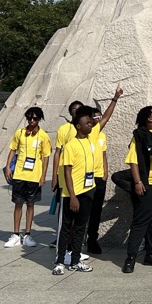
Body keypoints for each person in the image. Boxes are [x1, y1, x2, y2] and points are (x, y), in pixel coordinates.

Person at [122, 106, 152, 273]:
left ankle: (150, 254)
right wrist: (137, 182)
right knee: (141, 223)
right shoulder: (139, 136)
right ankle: (130, 258)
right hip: (148, 185)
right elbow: (133, 161)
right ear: (149, 119)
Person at [53, 106, 97, 275]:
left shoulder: (90, 141)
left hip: (88, 190)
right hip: (71, 194)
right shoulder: (70, 145)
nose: (90, 125)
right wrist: (72, 196)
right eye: (86, 123)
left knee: (80, 227)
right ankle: (59, 261)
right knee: (65, 228)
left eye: (90, 122)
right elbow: (67, 171)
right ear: (78, 126)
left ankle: (75, 260)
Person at [2, 107, 51, 248]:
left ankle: (28, 234)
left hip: (34, 176)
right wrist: (7, 167)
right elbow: (13, 149)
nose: (32, 120)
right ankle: (16, 234)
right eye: (29, 117)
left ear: (39, 119)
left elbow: (46, 157)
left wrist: (43, 176)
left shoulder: (43, 136)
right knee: (18, 203)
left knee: (31, 204)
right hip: (19, 174)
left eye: (35, 118)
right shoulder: (20, 133)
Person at [85, 88, 122, 254]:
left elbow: (104, 155)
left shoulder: (101, 136)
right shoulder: (88, 133)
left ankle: (92, 240)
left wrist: (105, 172)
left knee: (96, 211)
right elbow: (107, 117)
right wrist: (114, 98)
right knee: (82, 210)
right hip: (85, 178)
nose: (100, 119)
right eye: (96, 117)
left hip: (99, 178)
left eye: (99, 117)